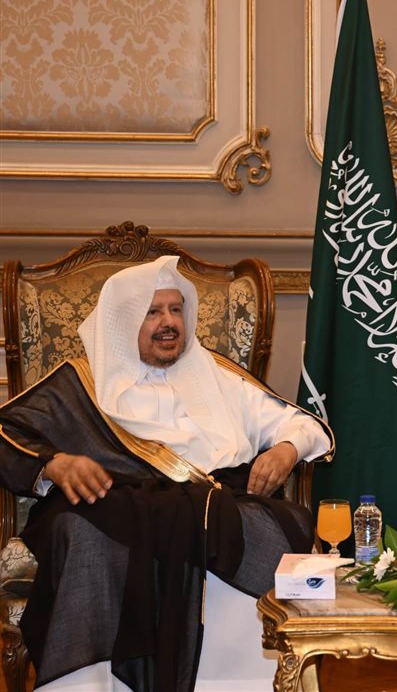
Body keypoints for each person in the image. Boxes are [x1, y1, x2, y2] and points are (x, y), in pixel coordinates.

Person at [0, 256, 334, 692]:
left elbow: (307, 427)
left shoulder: (217, 375)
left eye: (176, 309)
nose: (169, 322)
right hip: (118, 506)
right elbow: (6, 432)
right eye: (153, 311)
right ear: (123, 322)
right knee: (80, 532)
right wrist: (54, 464)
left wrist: (287, 450)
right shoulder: (83, 383)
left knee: (282, 525)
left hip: (214, 504)